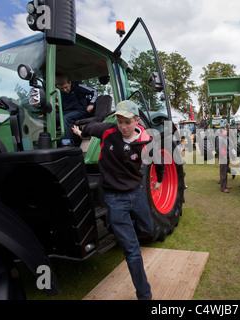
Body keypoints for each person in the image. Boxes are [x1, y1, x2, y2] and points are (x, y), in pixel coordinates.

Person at [72, 100, 164, 300]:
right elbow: (89, 128)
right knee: (132, 252)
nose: (123, 126)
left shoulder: (147, 141)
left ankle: (124, 226)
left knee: (148, 229)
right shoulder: (107, 131)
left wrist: (160, 179)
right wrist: (82, 133)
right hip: (114, 197)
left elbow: (158, 160)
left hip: (136, 193)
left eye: (127, 122)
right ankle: (145, 296)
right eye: (120, 121)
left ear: (137, 121)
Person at [56, 73, 98, 140]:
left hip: (80, 111)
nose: (64, 90)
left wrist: (91, 104)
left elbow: (94, 91)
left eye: (66, 87)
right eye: (62, 88)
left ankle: (67, 143)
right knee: (52, 117)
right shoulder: (58, 92)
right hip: (66, 111)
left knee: (66, 118)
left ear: (69, 82)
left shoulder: (77, 87)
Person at [218, 122, 232, 193]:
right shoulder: (220, 138)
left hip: (226, 156)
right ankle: (223, 188)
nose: (227, 131)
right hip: (223, 157)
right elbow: (218, 149)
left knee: (225, 172)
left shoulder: (225, 138)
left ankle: (225, 185)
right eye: (226, 130)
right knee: (223, 173)